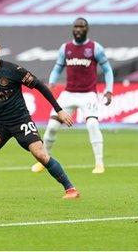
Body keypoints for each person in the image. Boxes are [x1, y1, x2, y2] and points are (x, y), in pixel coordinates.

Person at [0, 32, 80, 200]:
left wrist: (59, 110)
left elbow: (40, 86)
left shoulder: (13, 70)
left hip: (21, 120)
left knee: (40, 155)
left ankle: (70, 189)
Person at [31, 17, 113, 174]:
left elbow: (108, 70)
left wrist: (109, 90)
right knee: (52, 126)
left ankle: (99, 163)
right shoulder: (65, 48)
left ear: (86, 29)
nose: (78, 29)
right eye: (76, 26)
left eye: (81, 27)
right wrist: (52, 82)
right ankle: (43, 160)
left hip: (88, 94)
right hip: (68, 94)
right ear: (72, 29)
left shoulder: (95, 48)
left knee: (92, 125)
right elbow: (57, 68)